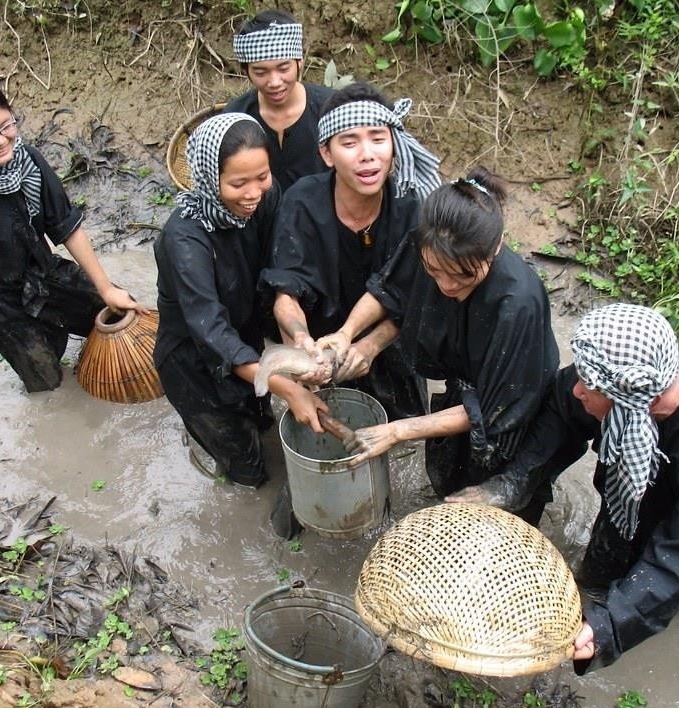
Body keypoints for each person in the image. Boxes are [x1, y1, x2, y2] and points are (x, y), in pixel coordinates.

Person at [452, 303, 679, 673]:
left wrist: (607, 626)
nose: (577, 390)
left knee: (635, 597)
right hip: (647, 501)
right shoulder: (628, 368)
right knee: (600, 574)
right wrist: (511, 484)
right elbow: (561, 405)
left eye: (588, 385)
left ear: (632, 400)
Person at [321, 169, 560, 522]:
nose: (446, 285)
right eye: (434, 271)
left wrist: (398, 430)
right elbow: (392, 293)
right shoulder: (428, 242)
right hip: (461, 396)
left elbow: (491, 411)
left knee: (497, 516)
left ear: (495, 247)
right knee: (450, 493)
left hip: (512, 418)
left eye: (463, 275)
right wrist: (347, 334)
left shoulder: (517, 304)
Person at [0, 76, 146, 396]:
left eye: (6, 126)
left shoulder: (28, 161)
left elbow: (67, 227)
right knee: (48, 380)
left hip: (43, 275)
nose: (0, 140)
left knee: (120, 312)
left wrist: (106, 287)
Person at [153, 112, 327, 489]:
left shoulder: (266, 198)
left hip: (245, 339)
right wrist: (289, 387)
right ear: (207, 178)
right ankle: (221, 455)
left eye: (262, 177)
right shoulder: (184, 240)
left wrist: (295, 344)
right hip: (195, 365)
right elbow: (210, 330)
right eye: (237, 183)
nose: (252, 193)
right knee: (248, 473)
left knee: (262, 420)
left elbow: (279, 265)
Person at [259, 81, 442, 421]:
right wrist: (301, 340)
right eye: (349, 142)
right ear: (327, 154)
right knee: (324, 423)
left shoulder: (412, 207)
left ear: (393, 144)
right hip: (322, 345)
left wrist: (369, 347)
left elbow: (418, 299)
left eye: (377, 137)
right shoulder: (302, 202)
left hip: (391, 342)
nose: (367, 154)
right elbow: (285, 291)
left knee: (402, 431)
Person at [224, 9, 334, 191]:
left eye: (283, 68)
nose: (274, 82)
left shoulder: (331, 108)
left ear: (300, 62)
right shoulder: (235, 117)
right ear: (247, 72)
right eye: (260, 72)